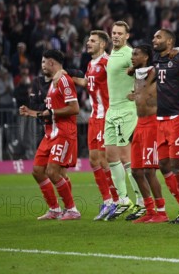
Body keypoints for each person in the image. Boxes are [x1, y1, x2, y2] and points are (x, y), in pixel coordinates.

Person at [19, 50, 81, 220]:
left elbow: (74, 108)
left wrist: (50, 112)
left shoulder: (64, 80)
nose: (42, 66)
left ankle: (72, 210)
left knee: (53, 171)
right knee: (38, 171)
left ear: (52, 63)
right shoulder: (53, 82)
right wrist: (31, 112)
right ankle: (54, 209)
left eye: (44, 62)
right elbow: (48, 112)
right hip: (50, 132)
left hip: (63, 131)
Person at [70, 30, 119, 220]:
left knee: (104, 159)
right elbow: (87, 82)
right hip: (94, 117)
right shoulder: (91, 64)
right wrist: (69, 77)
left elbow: (121, 80)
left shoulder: (108, 62)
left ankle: (116, 201)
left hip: (107, 116)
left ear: (103, 44)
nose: (88, 43)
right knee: (93, 160)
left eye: (93, 41)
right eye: (88, 40)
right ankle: (107, 201)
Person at [152, 29, 179, 224]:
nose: (154, 40)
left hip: (177, 117)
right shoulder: (156, 59)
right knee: (162, 165)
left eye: (158, 37)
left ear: (169, 41)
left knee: (177, 165)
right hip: (160, 119)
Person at [104, 21, 143, 221]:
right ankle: (123, 199)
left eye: (120, 33)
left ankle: (141, 203)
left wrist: (138, 93)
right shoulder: (112, 55)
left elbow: (145, 73)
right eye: (114, 33)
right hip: (111, 111)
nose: (116, 36)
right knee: (110, 155)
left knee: (126, 156)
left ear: (127, 35)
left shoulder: (130, 54)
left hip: (126, 111)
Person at [128, 44, 168, 223]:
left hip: (152, 124)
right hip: (139, 124)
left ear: (146, 57)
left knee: (149, 170)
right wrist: (135, 96)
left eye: (136, 54)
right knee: (136, 171)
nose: (132, 57)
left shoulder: (156, 71)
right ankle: (150, 210)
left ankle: (162, 211)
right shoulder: (137, 73)